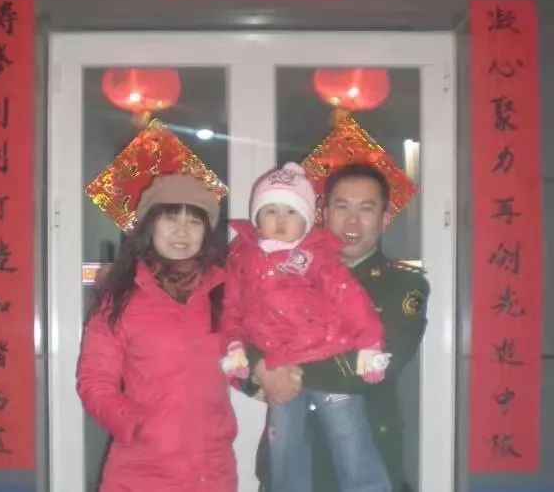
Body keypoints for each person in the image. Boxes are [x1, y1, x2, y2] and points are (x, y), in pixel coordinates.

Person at [253, 163, 430, 492]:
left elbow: (381, 364)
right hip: (286, 465)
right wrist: (258, 369)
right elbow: (245, 333)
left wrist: (278, 366)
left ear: (385, 218)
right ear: (323, 213)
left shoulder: (404, 285)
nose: (352, 221)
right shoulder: (282, 273)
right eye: (342, 207)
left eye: (366, 209)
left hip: (365, 459)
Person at [222, 162, 392, 492]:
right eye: (270, 210)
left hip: (323, 354)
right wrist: (241, 352)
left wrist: (370, 344)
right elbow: (232, 310)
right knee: (286, 455)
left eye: (290, 211)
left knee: (351, 444)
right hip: (278, 363)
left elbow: (353, 301)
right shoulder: (242, 258)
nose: (280, 220)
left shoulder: (319, 258)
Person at [76, 174, 237, 492]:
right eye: (171, 217)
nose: (182, 231)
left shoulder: (224, 292)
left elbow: (244, 359)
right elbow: (94, 383)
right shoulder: (119, 300)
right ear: (150, 225)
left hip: (213, 474)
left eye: (194, 221)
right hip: (140, 473)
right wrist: (137, 426)